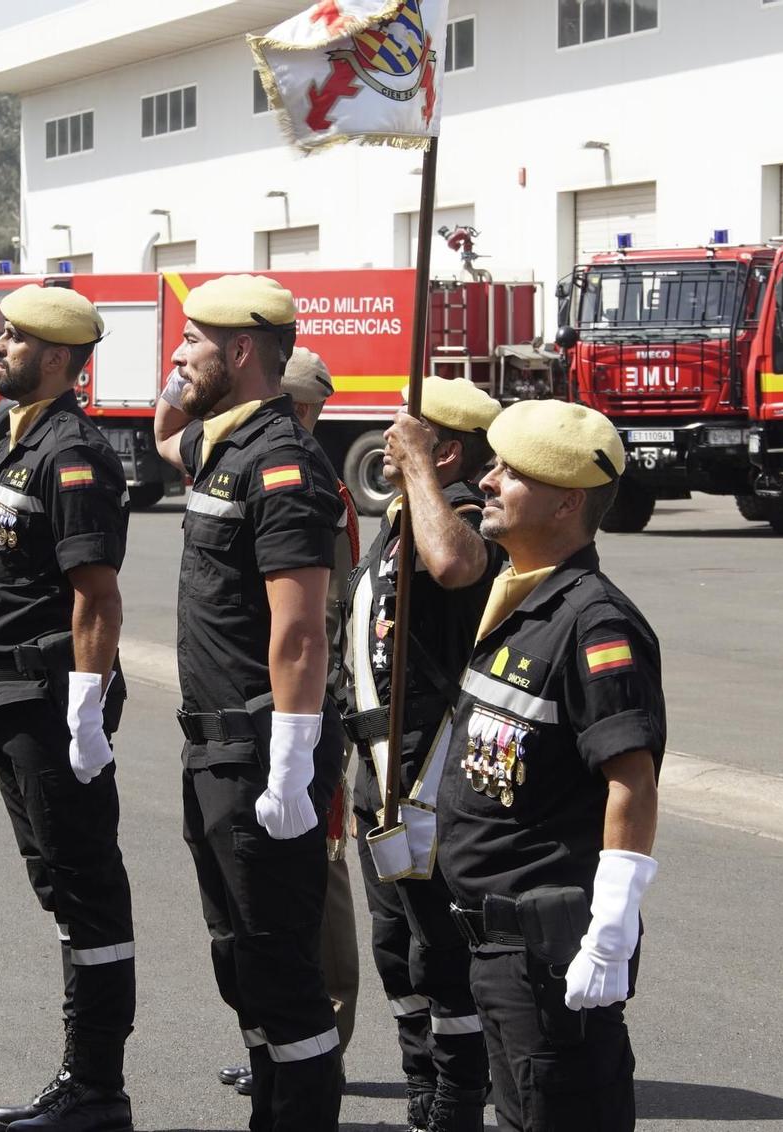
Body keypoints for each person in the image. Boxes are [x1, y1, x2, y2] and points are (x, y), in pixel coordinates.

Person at [435, 400, 665, 1131]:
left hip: (549, 949)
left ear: (567, 502)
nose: (490, 481)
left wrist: (612, 926)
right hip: (496, 944)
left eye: (513, 472)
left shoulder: (593, 622)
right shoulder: (521, 604)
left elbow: (631, 777)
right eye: (495, 464)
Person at [152, 275, 347, 1131]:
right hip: (213, 752)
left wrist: (293, 762)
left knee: (280, 972)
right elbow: (167, 436)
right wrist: (182, 383)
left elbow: (300, 631)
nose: (177, 354)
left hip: (262, 751)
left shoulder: (281, 460)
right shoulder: (221, 446)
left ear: (239, 352)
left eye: (191, 342)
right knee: (240, 964)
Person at [0, 285, 137, 1132]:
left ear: (59, 359)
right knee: (61, 889)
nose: (0, 347)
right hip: (8, 698)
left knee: (86, 888)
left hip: (46, 701)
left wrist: (83, 710)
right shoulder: (20, 440)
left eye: (16, 339)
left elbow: (96, 598)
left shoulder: (73, 454)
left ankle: (95, 1084)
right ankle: (88, 1078)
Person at [343, 377, 505, 1132]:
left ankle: (457, 1095)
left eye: (405, 437)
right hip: (375, 764)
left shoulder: (460, 514)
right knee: (391, 938)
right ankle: (419, 1074)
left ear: (445, 452)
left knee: (436, 945)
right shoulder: (403, 515)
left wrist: (419, 477)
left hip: (427, 765)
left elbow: (454, 568)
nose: (385, 444)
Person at [212, 346, 361, 1099]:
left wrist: (308, 741)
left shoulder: (303, 481)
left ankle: (319, 1039)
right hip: (293, 706)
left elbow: (316, 626)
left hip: (307, 713)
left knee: (319, 883)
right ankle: (285, 1042)